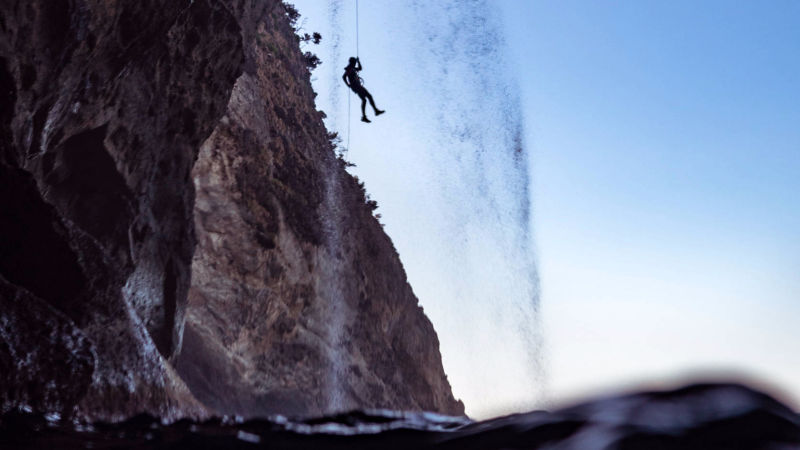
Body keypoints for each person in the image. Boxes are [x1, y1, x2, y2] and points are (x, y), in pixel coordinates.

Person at [342, 57, 384, 123]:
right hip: (356, 86)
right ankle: (375, 111)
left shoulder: (352, 68)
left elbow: (360, 68)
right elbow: (344, 77)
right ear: (352, 62)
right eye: (355, 62)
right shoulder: (349, 68)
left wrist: (358, 62)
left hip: (356, 86)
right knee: (369, 96)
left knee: (364, 100)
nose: (355, 63)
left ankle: (364, 116)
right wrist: (348, 85)